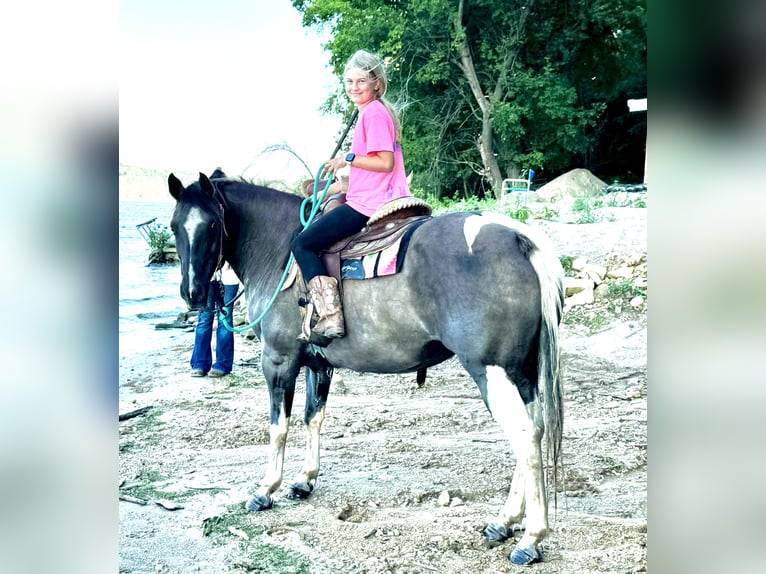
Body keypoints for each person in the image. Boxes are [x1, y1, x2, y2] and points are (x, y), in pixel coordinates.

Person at [291, 49, 411, 340]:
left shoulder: (373, 114)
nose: (354, 88)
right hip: (373, 195)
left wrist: (347, 158)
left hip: (371, 204)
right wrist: (330, 186)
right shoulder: (373, 112)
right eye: (348, 82)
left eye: (361, 81)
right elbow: (369, 171)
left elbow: (385, 163)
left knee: (302, 244)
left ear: (376, 84)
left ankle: (330, 315)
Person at [190, 262, 240, 377]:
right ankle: (199, 363)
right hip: (206, 277)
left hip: (229, 276)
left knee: (225, 319)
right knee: (204, 319)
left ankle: (223, 364)